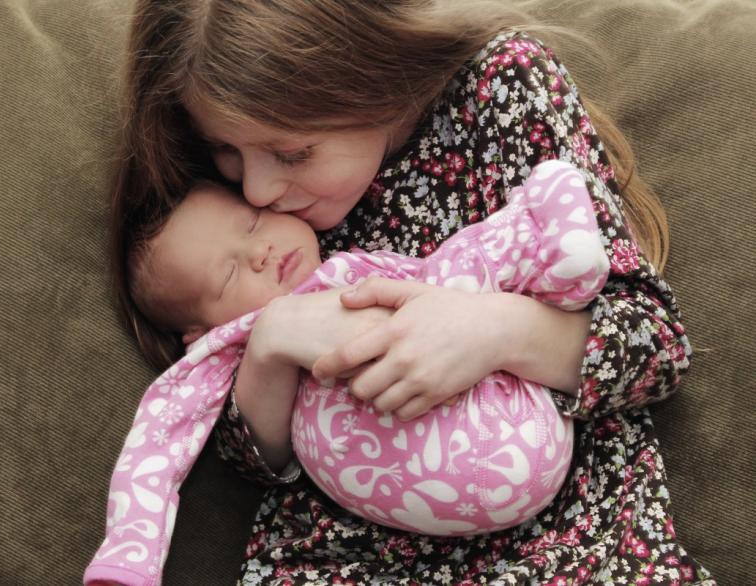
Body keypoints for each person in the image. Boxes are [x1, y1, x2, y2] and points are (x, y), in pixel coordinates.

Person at [100, 0, 714, 583]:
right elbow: (245, 453)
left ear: (374, 78)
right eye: (226, 153)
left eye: (292, 152)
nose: (257, 191)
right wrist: (270, 344)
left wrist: (495, 331)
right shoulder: (248, 207)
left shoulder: (502, 87)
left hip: (569, 539)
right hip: (349, 556)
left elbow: (653, 345)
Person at [84, 161, 610, 585]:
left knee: (460, 270)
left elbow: (449, 289)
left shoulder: (358, 267)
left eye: (251, 223)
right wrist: (127, 559)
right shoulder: (229, 349)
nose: (260, 251)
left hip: (510, 414)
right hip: (419, 521)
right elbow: (158, 440)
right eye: (229, 274)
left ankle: (550, 238)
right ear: (201, 333)